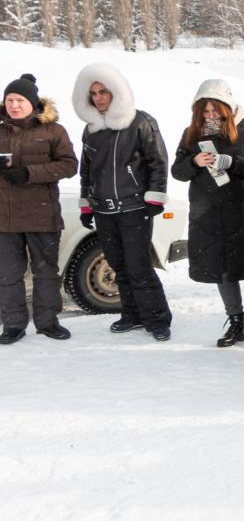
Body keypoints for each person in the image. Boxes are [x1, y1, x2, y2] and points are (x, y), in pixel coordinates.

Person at [73, 64, 173, 340]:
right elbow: (87, 170)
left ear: (116, 92)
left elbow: (158, 162)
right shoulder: (91, 129)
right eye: (94, 93)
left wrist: (155, 197)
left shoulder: (140, 122)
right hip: (104, 210)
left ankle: (158, 319)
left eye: (104, 91)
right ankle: (131, 314)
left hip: (134, 208)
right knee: (118, 264)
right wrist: (86, 204)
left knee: (139, 267)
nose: (99, 98)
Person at [171, 80, 244, 348]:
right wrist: (194, 162)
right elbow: (177, 172)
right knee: (221, 270)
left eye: (216, 110)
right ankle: (235, 322)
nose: (211, 116)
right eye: (205, 111)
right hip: (208, 216)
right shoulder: (191, 134)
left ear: (227, 107)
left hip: (242, 212)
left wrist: (234, 163)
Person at [0, 74, 77, 344]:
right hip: (4, 218)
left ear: (33, 103)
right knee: (7, 275)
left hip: (42, 215)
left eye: (20, 100)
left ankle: (48, 322)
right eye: (9, 100)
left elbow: (69, 165)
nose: (14, 105)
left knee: (46, 273)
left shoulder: (53, 131)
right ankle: (13, 324)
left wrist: (29, 173)